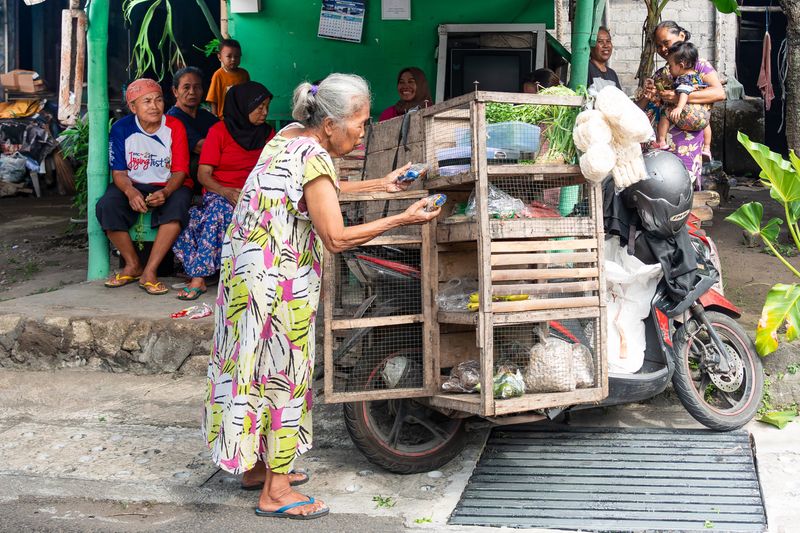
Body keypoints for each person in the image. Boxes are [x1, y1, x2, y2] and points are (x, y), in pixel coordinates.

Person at [203, 73, 440, 519]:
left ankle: (255, 466)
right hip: (278, 285)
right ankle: (275, 493)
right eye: (362, 123)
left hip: (245, 281)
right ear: (330, 124)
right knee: (283, 375)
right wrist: (403, 218)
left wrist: (381, 186)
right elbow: (334, 235)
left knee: (250, 368)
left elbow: (317, 193)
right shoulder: (314, 156)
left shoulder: (288, 138)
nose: (364, 131)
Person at [172, 81, 275, 300]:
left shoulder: (268, 134)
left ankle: (210, 275)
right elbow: (203, 175)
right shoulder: (219, 132)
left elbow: (272, 169)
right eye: (259, 108)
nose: (264, 112)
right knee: (215, 212)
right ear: (243, 106)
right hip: (219, 192)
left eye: (267, 107)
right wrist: (226, 191)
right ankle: (199, 278)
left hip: (253, 194)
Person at [97, 78, 192, 295]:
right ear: (133, 107)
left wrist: (166, 191)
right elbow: (119, 173)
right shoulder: (122, 128)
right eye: (147, 101)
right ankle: (132, 265)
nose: (154, 106)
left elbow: (180, 171)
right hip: (134, 183)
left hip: (168, 184)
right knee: (107, 206)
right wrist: (130, 191)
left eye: (158, 100)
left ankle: (150, 271)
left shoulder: (174, 127)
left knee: (177, 209)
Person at [639, 21, 725, 183]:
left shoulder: (699, 66)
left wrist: (678, 98)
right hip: (663, 143)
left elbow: (719, 93)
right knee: (663, 186)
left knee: (684, 185)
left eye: (666, 43)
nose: (663, 49)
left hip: (688, 142)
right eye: (658, 46)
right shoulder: (662, 73)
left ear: (681, 36)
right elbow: (647, 107)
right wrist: (647, 94)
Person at [166, 66, 219, 186]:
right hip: (184, 177)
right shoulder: (172, 119)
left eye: (197, 87)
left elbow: (225, 134)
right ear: (175, 91)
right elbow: (201, 147)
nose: (192, 92)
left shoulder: (205, 116)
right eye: (186, 87)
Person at [654, 42, 711, 150]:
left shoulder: (683, 78)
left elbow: (684, 92)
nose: (669, 69)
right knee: (707, 122)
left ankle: (661, 140)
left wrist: (679, 108)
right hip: (702, 117)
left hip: (688, 116)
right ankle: (707, 147)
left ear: (681, 65)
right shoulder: (698, 76)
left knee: (664, 112)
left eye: (670, 66)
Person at [206, 39, 250, 119]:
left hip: (242, 118)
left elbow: (248, 96)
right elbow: (213, 100)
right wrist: (215, 118)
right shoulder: (218, 75)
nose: (233, 59)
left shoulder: (244, 74)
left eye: (236, 56)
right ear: (219, 57)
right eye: (229, 56)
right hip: (224, 119)